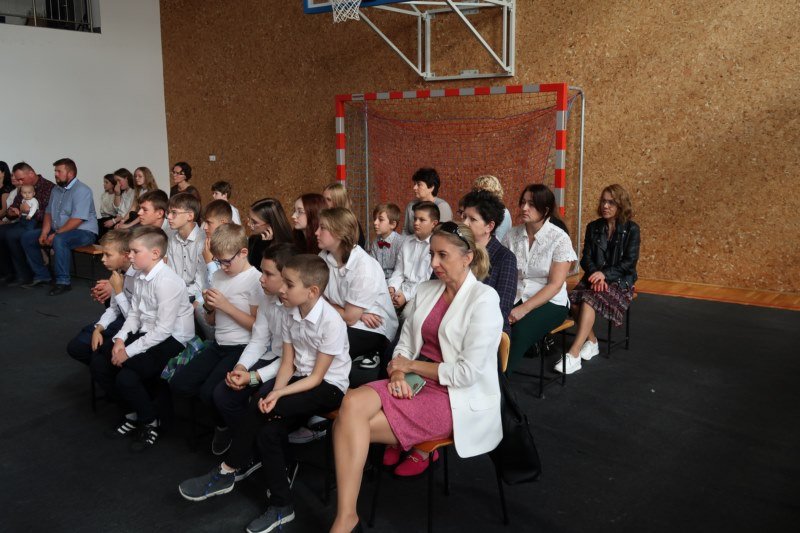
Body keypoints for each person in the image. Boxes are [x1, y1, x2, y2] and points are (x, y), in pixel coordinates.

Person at [330, 222, 503, 532]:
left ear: (467, 258)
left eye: (442, 255)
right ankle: (347, 517)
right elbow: (405, 344)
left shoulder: (485, 299)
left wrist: (409, 366)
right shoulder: (426, 290)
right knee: (351, 402)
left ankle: (345, 518)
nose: (434, 263)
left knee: (347, 424)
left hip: (455, 398)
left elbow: (465, 374)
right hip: (417, 380)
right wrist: (398, 371)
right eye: (431, 254)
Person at [178, 254, 350, 533]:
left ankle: (227, 470)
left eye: (289, 284)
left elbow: (317, 378)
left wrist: (278, 396)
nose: (282, 289)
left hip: (329, 387)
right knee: (268, 430)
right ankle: (283, 507)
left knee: (262, 406)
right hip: (299, 378)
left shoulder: (331, 321)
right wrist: (277, 392)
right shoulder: (291, 313)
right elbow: (288, 363)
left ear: (312, 291)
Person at [91, 226, 195, 451]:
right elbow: (135, 315)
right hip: (148, 333)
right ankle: (133, 414)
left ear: (155, 253)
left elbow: (163, 330)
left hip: (173, 338)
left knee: (126, 377)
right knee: (100, 361)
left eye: (134, 251)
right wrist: (120, 340)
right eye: (129, 251)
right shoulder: (139, 275)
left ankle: (150, 422)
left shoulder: (167, 281)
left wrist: (128, 352)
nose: (129, 256)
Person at [170, 223, 261, 456]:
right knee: (180, 383)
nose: (222, 266)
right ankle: (219, 420)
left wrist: (225, 306)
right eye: (218, 261)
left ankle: (226, 427)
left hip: (242, 347)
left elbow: (258, 328)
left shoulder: (255, 280)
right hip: (219, 343)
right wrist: (210, 308)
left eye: (226, 261)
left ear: (243, 252)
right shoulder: (219, 275)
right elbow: (212, 321)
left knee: (209, 393)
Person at [212, 243, 299, 449]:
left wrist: (252, 377)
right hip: (273, 357)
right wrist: (241, 367)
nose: (261, 278)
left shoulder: (298, 307)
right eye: (262, 271)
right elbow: (259, 340)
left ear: (287, 278)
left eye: (268, 274)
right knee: (222, 394)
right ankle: (248, 447)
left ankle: (256, 449)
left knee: (260, 400)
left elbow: (292, 360)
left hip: (295, 367)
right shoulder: (268, 298)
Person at [561, 184, 640, 374]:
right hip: (594, 277)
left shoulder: (632, 229)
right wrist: (597, 275)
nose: (605, 206)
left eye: (611, 202)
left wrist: (605, 275)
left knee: (588, 299)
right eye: (603, 201)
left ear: (621, 205)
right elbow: (585, 258)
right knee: (571, 301)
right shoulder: (593, 227)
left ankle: (574, 353)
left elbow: (629, 262)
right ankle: (592, 341)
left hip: (620, 281)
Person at [502, 184, 576, 373]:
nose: (524, 208)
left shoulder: (559, 239)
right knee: (490, 325)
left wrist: (523, 309)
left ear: (546, 209)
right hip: (516, 294)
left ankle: (498, 383)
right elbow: (504, 273)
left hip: (551, 302)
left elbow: (555, 285)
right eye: (523, 202)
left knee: (518, 332)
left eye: (532, 204)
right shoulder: (512, 235)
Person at [317, 207, 398, 371]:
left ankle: (374, 351)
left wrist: (351, 313)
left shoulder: (364, 267)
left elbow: (349, 318)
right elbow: (315, 296)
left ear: (340, 233)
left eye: (322, 228)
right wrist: (356, 313)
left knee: (324, 345)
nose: (316, 232)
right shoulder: (323, 257)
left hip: (372, 327)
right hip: (349, 317)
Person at [20, 158, 97, 295]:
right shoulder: (56, 189)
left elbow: (77, 219)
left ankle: (63, 282)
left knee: (59, 239)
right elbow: (48, 213)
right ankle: (42, 275)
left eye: (59, 171)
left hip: (84, 232)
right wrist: (44, 233)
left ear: (70, 173)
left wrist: (56, 234)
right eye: (55, 171)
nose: (55, 174)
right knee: (28, 237)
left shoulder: (82, 190)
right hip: (61, 230)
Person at [66, 230, 136, 365]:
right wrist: (98, 328)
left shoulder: (140, 277)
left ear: (126, 255)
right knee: (76, 347)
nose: (103, 259)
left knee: (100, 357)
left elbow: (133, 319)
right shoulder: (118, 271)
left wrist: (118, 290)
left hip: (133, 325)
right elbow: (114, 308)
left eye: (108, 255)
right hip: (121, 318)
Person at [91, 190, 171, 305]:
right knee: (111, 294)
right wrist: (115, 282)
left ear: (159, 213)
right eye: (139, 208)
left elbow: (160, 269)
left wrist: (119, 285)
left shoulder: (171, 233)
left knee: (117, 292)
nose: (139, 213)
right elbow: (127, 258)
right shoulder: (140, 231)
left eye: (145, 209)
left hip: (160, 284)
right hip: (140, 277)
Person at [461, 189, 517, 334]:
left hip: (486, 330)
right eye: (464, 217)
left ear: (489, 226)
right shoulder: (456, 249)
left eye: (472, 219)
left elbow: (502, 309)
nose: (465, 223)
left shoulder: (505, 258)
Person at [0, 162, 54, 284]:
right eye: (18, 179)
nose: (19, 182)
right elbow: (14, 207)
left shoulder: (49, 188)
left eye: (21, 179)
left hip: (40, 224)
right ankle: (8, 272)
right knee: (1, 232)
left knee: (11, 235)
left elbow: (49, 215)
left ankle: (24, 274)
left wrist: (29, 211)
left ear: (31, 173)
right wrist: (12, 212)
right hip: (23, 221)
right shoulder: (23, 187)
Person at [388, 201, 439, 312]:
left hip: (421, 292)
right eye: (415, 219)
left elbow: (426, 281)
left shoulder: (435, 247)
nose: (416, 223)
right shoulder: (406, 241)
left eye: (422, 220)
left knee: (407, 314)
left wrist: (406, 296)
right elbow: (399, 271)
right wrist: (392, 287)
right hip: (402, 288)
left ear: (434, 223)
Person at [166, 192, 207, 304]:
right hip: (175, 292)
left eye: (174, 213)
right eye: (168, 213)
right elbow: (171, 273)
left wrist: (176, 294)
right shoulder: (172, 237)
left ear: (190, 216)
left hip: (196, 295)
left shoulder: (202, 241)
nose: (168, 217)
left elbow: (201, 284)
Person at [246, 197, 296, 270]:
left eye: (254, 222)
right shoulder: (253, 240)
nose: (249, 224)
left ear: (271, 224)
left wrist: (264, 247)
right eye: (249, 218)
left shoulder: (286, 248)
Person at [401, 167, 452, 234]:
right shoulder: (411, 205)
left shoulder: (442, 206)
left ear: (431, 187)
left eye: (419, 184)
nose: (414, 188)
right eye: (414, 184)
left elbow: (444, 234)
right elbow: (405, 231)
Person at [368, 203, 405, 280]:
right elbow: (372, 266)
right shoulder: (375, 242)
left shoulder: (401, 243)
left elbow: (400, 271)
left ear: (392, 224)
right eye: (375, 219)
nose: (375, 223)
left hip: (395, 282)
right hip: (378, 280)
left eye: (380, 220)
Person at [322, 182, 365, 247]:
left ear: (338, 202)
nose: (324, 202)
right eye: (323, 199)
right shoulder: (325, 219)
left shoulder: (349, 223)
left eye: (328, 199)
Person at [472, 174, 512, 242]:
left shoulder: (504, 213)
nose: (477, 195)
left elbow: (497, 241)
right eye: (475, 191)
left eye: (481, 191)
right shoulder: (478, 210)